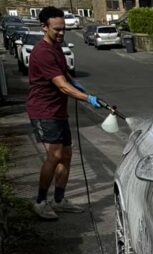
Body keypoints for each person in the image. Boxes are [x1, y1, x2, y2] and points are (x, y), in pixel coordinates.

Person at [26, 6, 110, 220]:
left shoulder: (56, 48)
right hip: (43, 111)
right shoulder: (43, 52)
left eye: (63, 28)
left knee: (67, 155)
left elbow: (66, 78)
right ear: (44, 27)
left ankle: (60, 200)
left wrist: (77, 85)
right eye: (56, 29)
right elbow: (62, 86)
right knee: (54, 155)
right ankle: (40, 202)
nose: (62, 32)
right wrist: (88, 99)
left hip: (58, 111)